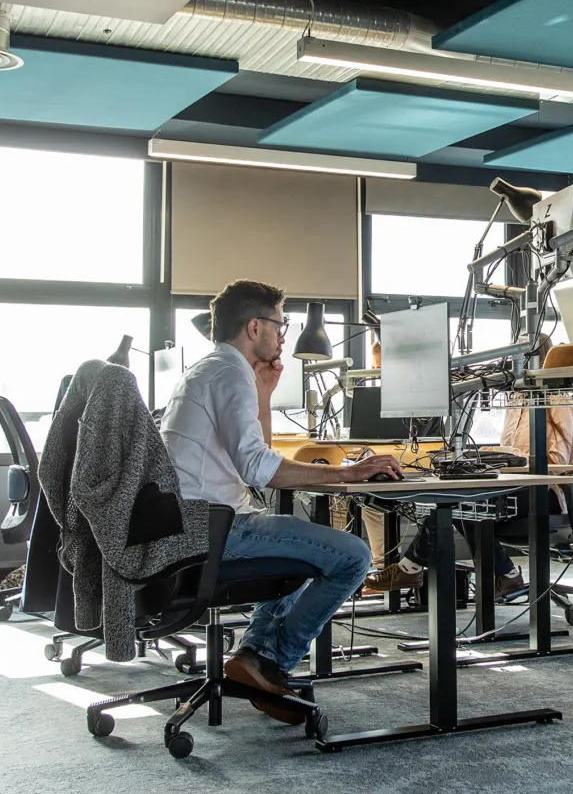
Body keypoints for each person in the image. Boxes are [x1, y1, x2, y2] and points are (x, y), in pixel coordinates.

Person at [160, 279, 400, 722]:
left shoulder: (211, 370)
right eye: (279, 324)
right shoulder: (229, 372)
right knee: (353, 556)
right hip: (216, 529)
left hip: (196, 525)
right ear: (255, 327)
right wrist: (347, 472)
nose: (283, 335)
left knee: (298, 545)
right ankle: (273, 661)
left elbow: (252, 456)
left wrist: (264, 396)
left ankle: (253, 657)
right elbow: (257, 468)